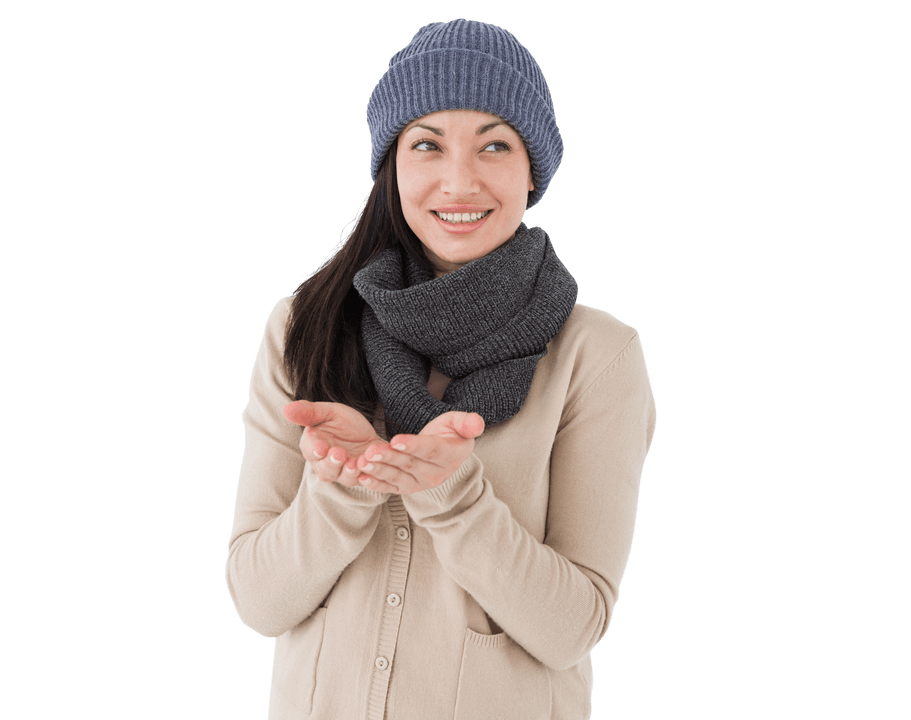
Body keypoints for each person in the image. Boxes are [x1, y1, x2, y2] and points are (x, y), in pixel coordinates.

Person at [225, 18, 657, 720]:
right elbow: (258, 602)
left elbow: (574, 626)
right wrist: (342, 488)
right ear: (392, 165)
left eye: (495, 144)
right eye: (427, 144)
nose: (460, 180)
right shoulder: (304, 327)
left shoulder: (596, 356)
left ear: (533, 170)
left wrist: (453, 497)